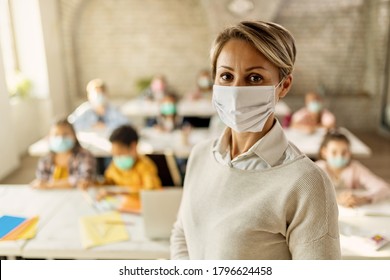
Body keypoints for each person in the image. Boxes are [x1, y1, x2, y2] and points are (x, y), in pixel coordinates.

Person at [170, 20, 341, 260]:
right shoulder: (200, 155)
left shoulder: (307, 184)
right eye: (227, 76)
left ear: (284, 86)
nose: (236, 90)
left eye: (254, 78)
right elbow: (182, 235)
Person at [316, 130, 390, 208]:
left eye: (344, 152)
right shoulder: (317, 169)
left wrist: (362, 199)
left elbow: (384, 188)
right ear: (324, 152)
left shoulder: (356, 168)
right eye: (334, 152)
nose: (340, 157)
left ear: (350, 152)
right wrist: (337, 200)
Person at [99, 125, 161, 212]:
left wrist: (119, 193)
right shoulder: (114, 165)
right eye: (114, 154)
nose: (117, 158)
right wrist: (94, 183)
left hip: (141, 211)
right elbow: (107, 182)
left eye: (120, 153)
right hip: (120, 210)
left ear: (133, 146)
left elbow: (150, 193)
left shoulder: (146, 166)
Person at [30, 118, 96, 189]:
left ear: (74, 136)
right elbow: (41, 180)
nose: (61, 138)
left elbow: (84, 180)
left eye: (65, 134)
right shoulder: (45, 159)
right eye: (56, 135)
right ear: (49, 138)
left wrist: (50, 185)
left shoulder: (84, 156)